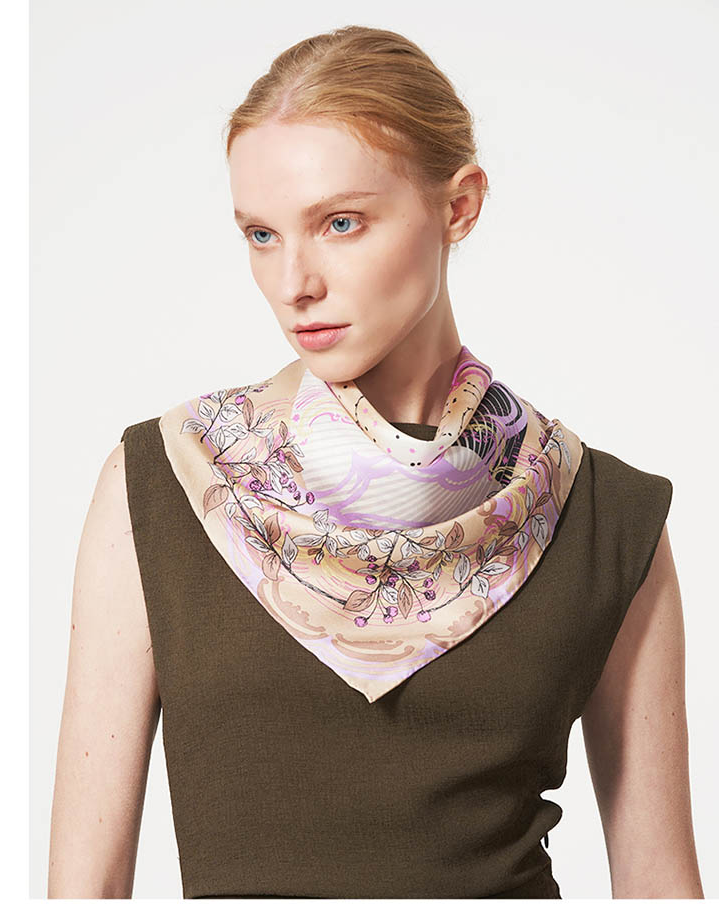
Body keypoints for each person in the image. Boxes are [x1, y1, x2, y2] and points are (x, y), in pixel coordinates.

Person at [47, 25, 703, 899]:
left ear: (459, 206)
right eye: (261, 234)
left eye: (340, 223)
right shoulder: (165, 484)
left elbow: (661, 885)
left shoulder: (602, 516)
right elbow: (82, 890)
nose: (295, 282)